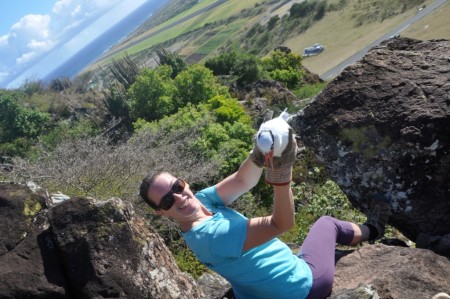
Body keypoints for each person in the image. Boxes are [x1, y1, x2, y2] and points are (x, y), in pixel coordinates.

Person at [139, 129, 390, 299]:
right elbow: (282, 223)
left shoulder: (202, 202)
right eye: (169, 200)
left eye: (177, 186)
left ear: (184, 182)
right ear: (162, 213)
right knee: (326, 224)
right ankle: (374, 229)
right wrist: (282, 179)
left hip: (268, 289)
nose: (180, 197)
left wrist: (260, 153)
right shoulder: (211, 236)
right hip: (303, 287)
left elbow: (242, 180)